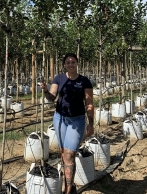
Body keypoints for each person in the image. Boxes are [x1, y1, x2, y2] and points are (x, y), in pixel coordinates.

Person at [40, 52, 94, 194]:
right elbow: (51, 98)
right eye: (68, 62)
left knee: (70, 155)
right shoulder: (59, 78)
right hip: (60, 119)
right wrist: (45, 90)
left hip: (77, 120)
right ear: (64, 64)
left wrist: (91, 123)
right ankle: (69, 183)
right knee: (64, 154)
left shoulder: (84, 81)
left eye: (73, 62)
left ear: (77, 63)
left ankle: (68, 191)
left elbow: (89, 103)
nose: (70, 64)